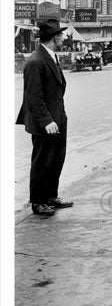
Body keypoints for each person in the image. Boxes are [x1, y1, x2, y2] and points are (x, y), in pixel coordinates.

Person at [16, 19, 73, 216]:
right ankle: (38, 201)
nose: (64, 38)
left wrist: (60, 117)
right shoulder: (35, 61)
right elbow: (33, 97)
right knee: (42, 161)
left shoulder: (51, 57)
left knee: (57, 158)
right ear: (55, 37)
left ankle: (50, 196)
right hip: (45, 122)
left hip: (58, 118)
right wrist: (47, 121)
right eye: (62, 35)